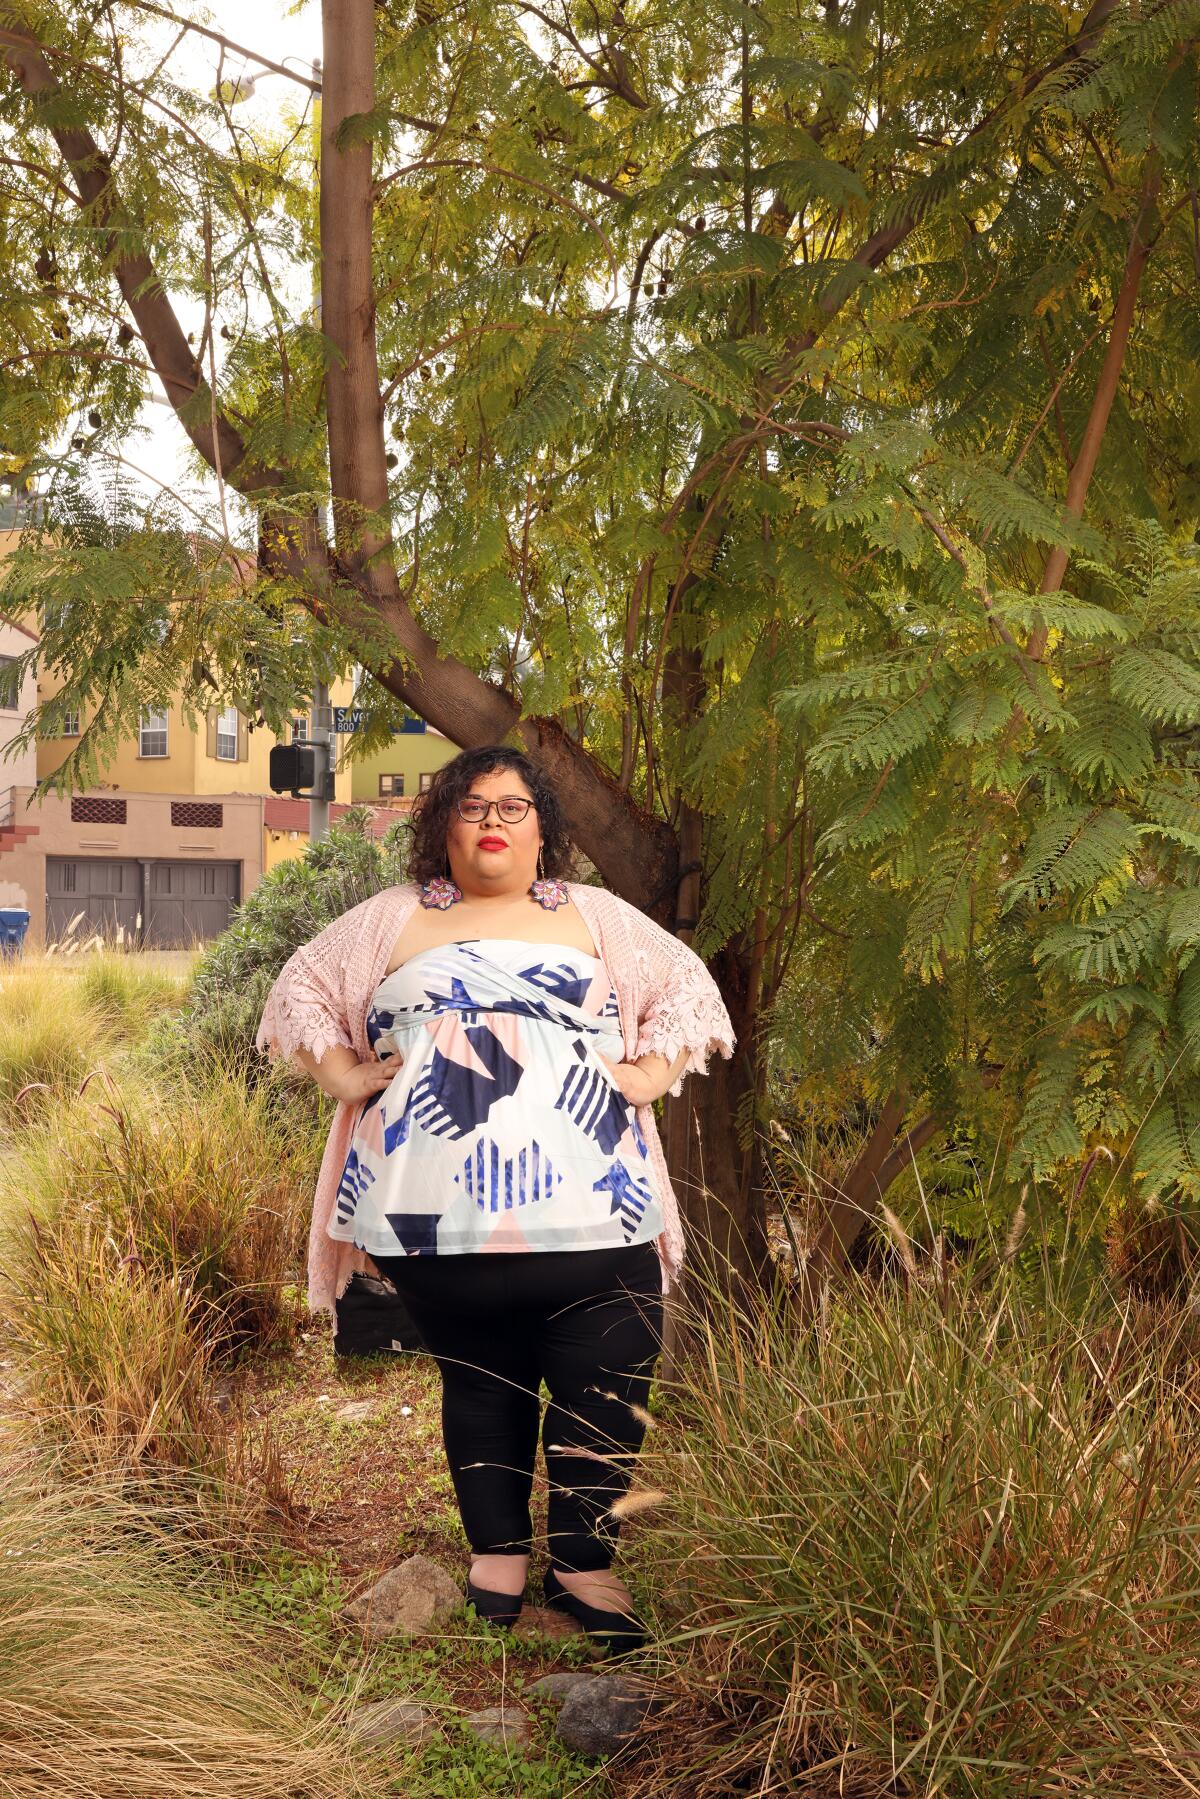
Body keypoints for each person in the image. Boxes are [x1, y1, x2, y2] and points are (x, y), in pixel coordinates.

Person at [256, 745, 735, 1651]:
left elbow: (686, 989)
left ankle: (586, 1563)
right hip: (437, 1227)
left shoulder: (594, 916)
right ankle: (497, 1556)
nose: (492, 822)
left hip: (602, 1216)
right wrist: (344, 1072)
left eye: (514, 807)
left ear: (544, 829)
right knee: (480, 1385)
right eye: (473, 805)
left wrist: (646, 1072)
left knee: (608, 1380)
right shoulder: (391, 918)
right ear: (442, 825)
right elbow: (304, 989)